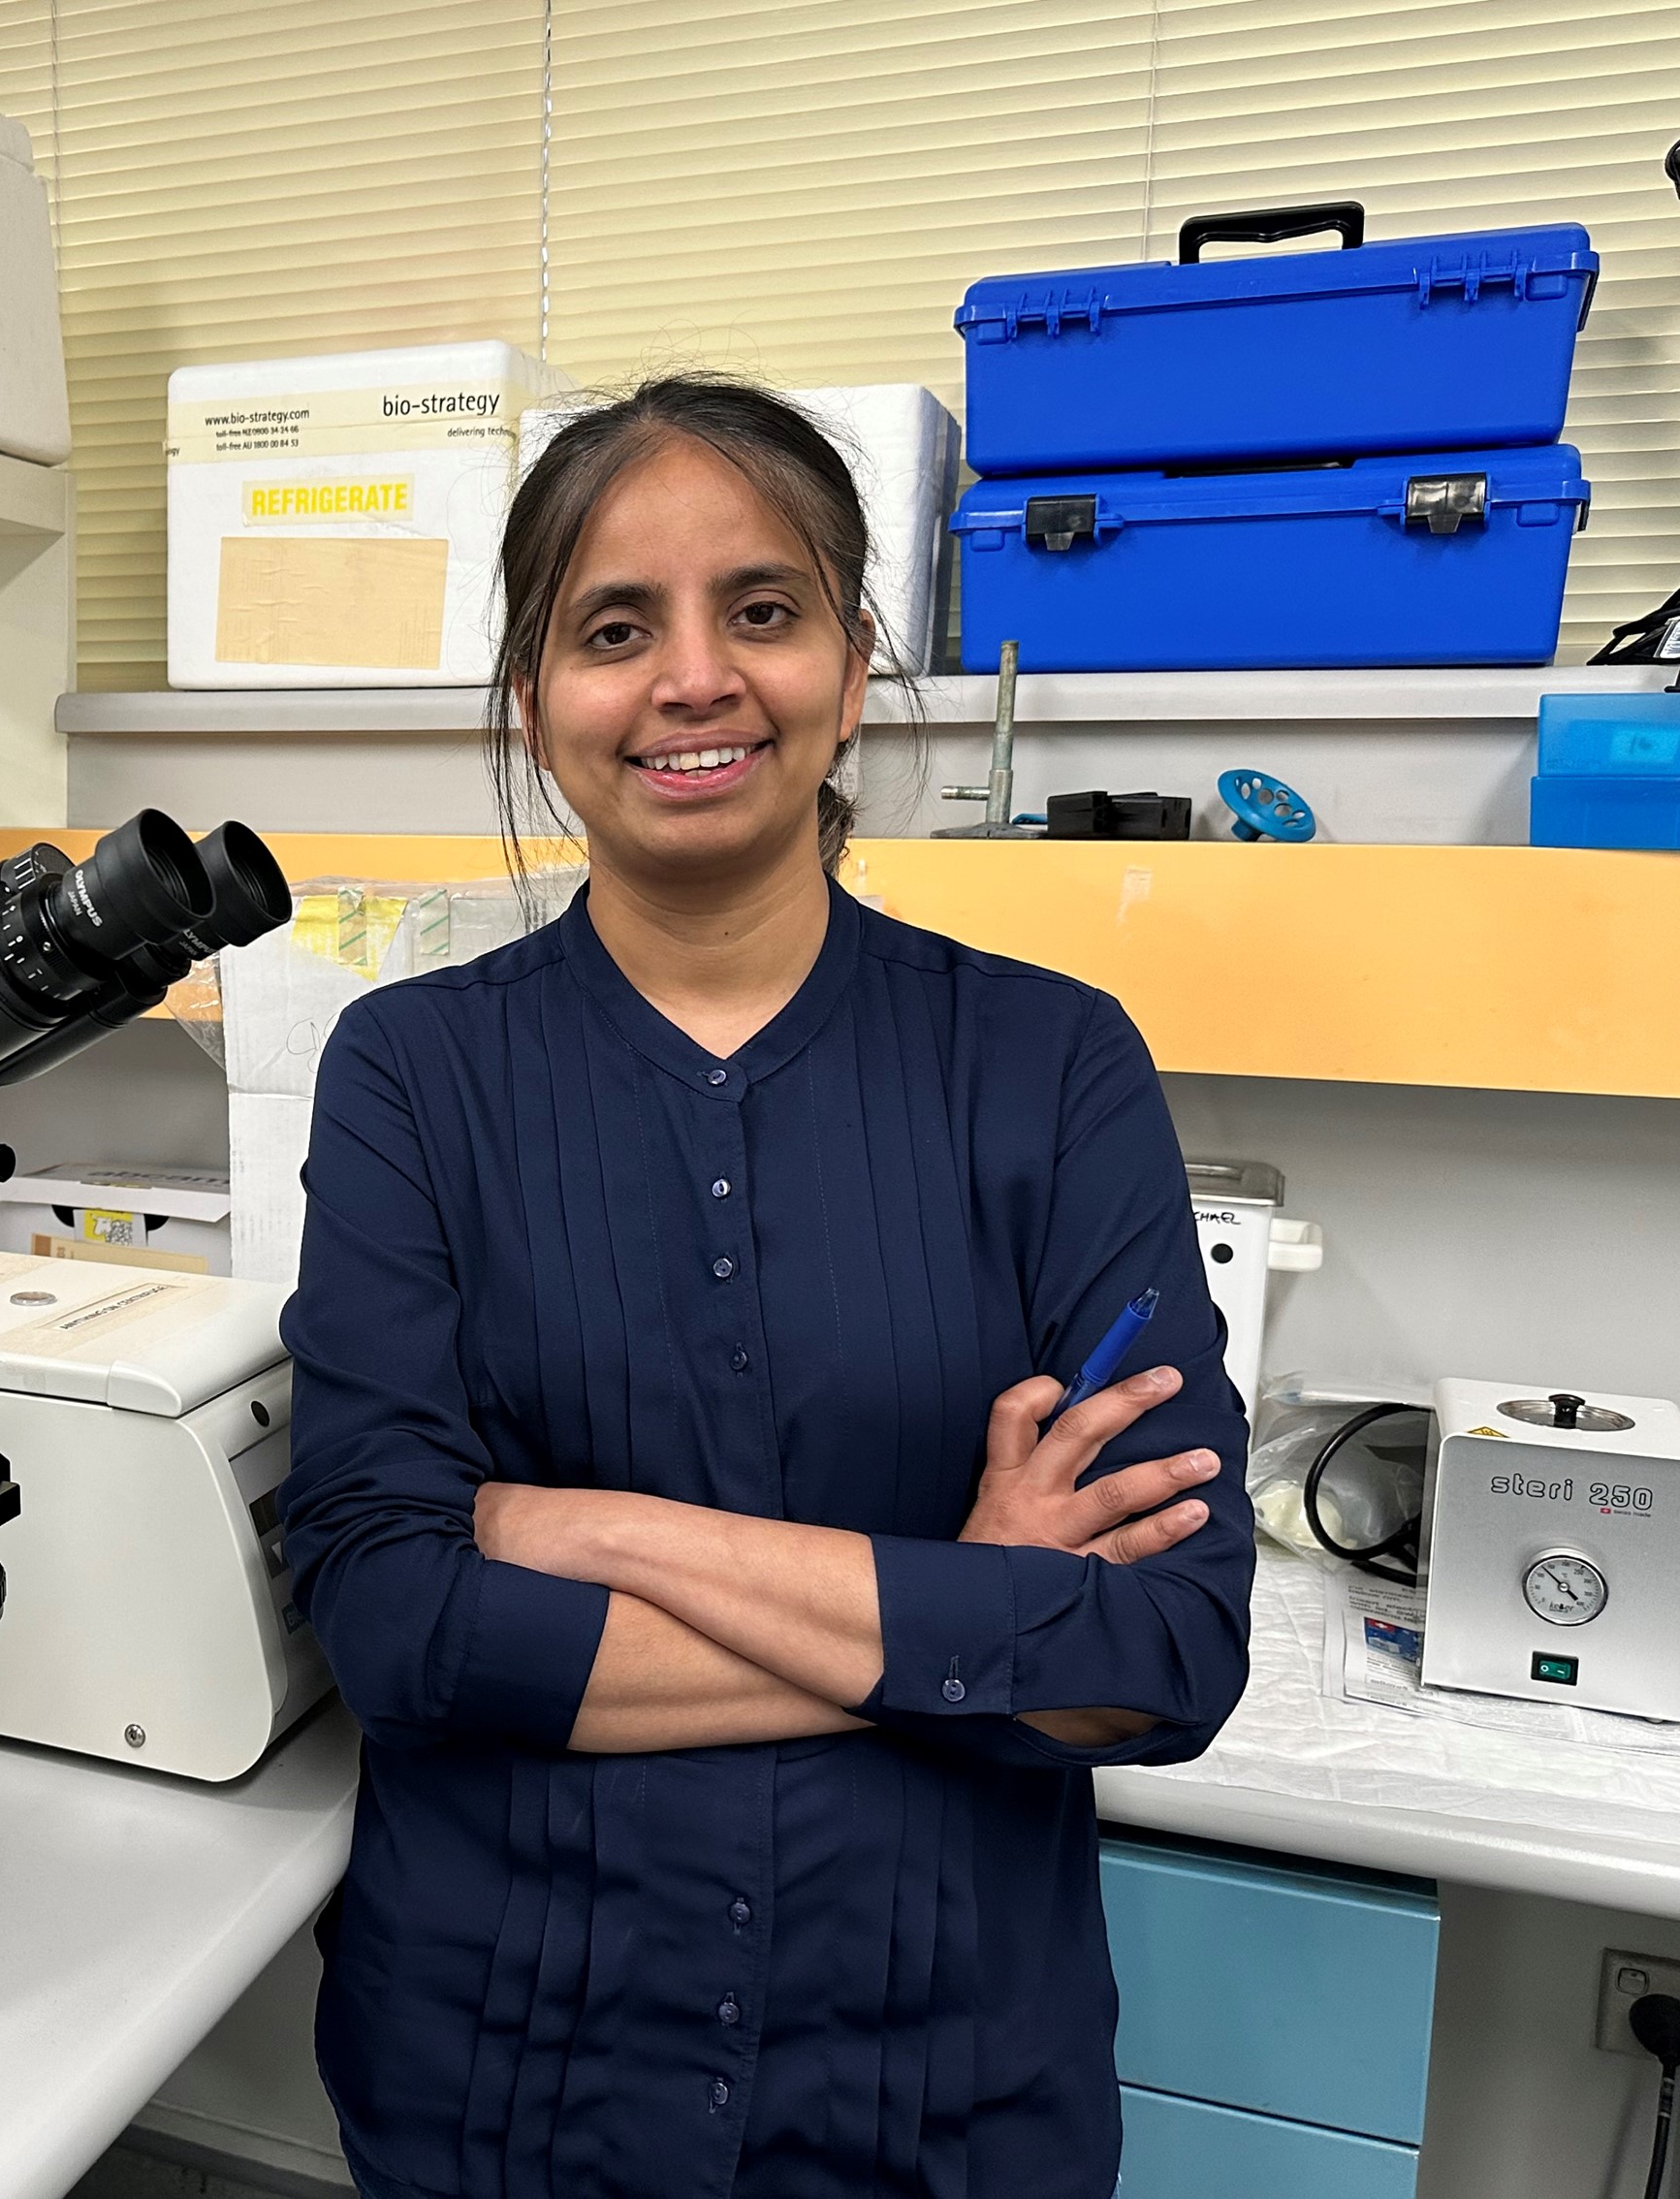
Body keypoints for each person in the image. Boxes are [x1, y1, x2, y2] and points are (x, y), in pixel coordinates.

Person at [277, 375, 1255, 2199]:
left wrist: (569, 1529)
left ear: (855, 661)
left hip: (947, 2086)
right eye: (614, 627)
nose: (694, 679)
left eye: (764, 609)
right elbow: (397, 1629)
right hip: (507, 2078)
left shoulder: (1052, 1067)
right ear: (533, 701)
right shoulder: (413, 1073)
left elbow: (1166, 1653)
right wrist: (970, 1609)